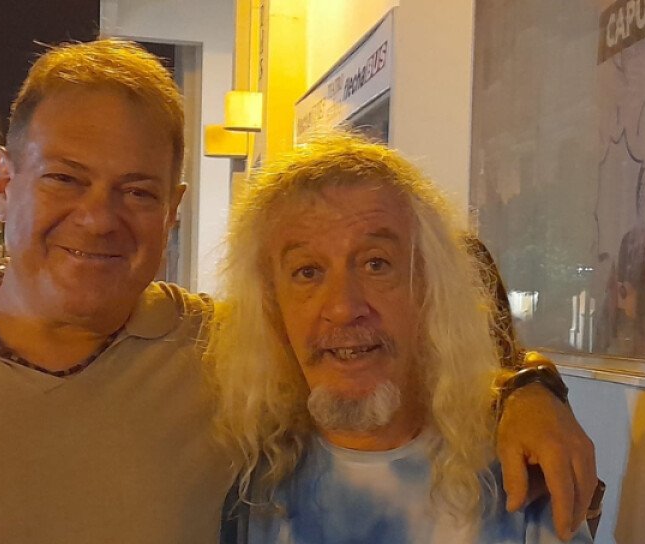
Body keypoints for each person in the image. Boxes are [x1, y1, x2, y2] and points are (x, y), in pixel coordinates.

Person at [0, 40, 594, 543]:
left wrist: (529, 386)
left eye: (137, 190)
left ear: (174, 210)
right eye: (65, 179)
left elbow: (377, 359)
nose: (99, 218)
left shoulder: (226, 358)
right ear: (3, 181)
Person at [207, 133, 592, 543]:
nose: (343, 307)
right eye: (308, 272)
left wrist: (533, 386)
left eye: (376, 264)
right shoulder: (246, 486)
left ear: (431, 289)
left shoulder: (518, 483)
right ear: (271, 307)